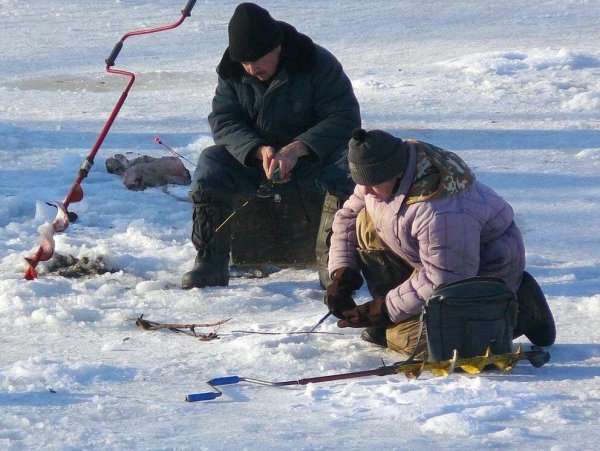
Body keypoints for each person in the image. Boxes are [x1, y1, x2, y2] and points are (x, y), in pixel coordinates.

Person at [325, 128, 556, 359]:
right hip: (434, 260)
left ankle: (519, 312)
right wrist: (342, 275)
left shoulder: (440, 210)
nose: (365, 190)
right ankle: (397, 314)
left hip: (477, 276)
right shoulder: (379, 176)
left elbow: (446, 277)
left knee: (408, 340)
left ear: (395, 173)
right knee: (364, 220)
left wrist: (383, 310)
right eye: (360, 181)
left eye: (372, 183)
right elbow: (346, 218)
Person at [182, 2, 361, 289]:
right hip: (258, 165)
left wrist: (299, 147)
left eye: (259, 59)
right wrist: (257, 149)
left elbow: (345, 118)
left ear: (277, 46)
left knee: (349, 163)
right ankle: (210, 261)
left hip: (314, 163)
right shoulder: (232, 71)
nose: (252, 69)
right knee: (210, 162)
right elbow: (224, 120)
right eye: (245, 63)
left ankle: (335, 264)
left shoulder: (315, 62)